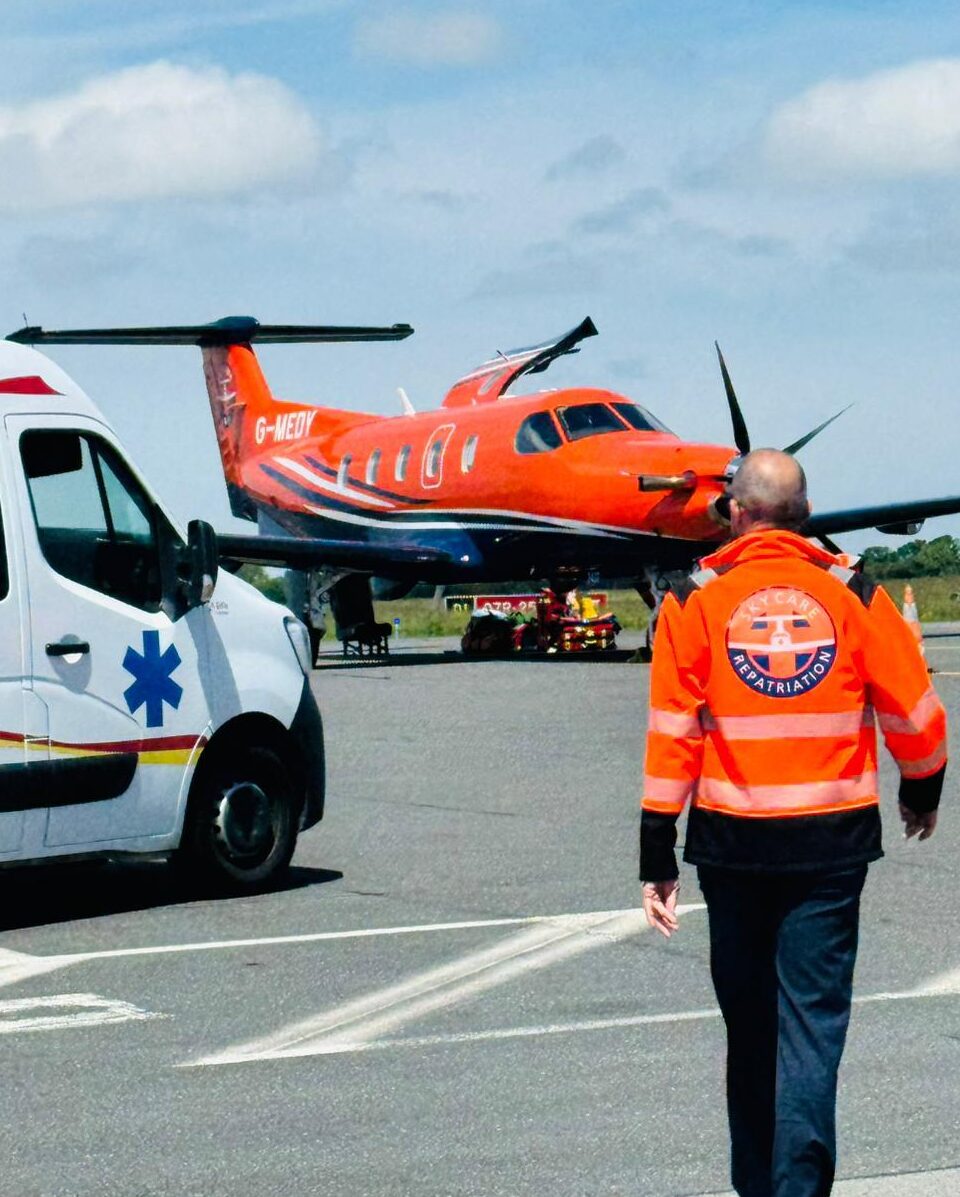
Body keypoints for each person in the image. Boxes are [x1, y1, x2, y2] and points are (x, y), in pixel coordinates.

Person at [639, 449, 946, 1197]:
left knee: (751, 1035)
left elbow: (672, 730)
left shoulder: (694, 598)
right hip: (829, 849)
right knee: (810, 1034)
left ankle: (757, 1185)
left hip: (733, 848)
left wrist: (657, 852)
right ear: (804, 515)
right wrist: (923, 789)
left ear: (737, 513)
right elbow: (917, 712)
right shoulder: (852, 592)